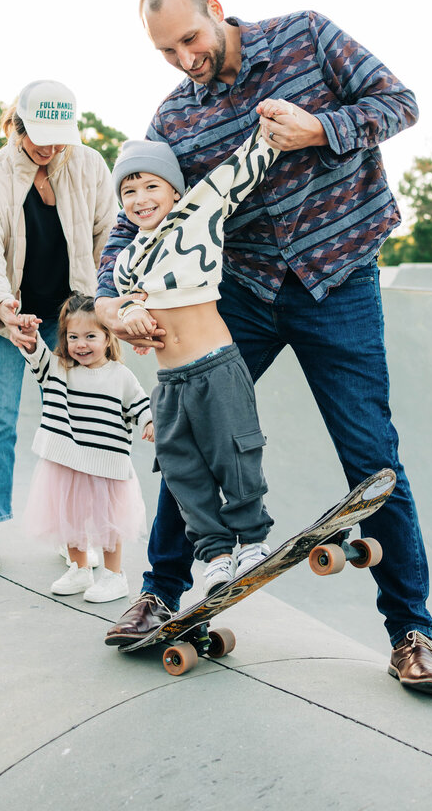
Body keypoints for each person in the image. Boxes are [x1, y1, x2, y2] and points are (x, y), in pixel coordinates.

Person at [95, 0, 432, 699]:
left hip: (338, 279)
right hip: (244, 291)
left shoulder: (306, 37)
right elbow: (135, 216)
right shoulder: (175, 119)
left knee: (371, 453)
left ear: (216, 9)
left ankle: (412, 635)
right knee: (192, 434)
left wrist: (321, 128)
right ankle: (160, 592)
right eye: (166, 52)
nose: (185, 59)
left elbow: (399, 102)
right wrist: (109, 300)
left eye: (190, 39)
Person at [0, 79, 118, 571]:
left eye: (59, 139)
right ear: (18, 126)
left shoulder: (89, 165)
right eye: (40, 138)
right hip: (8, 317)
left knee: (77, 422)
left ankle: (70, 533)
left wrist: (109, 306)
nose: (49, 148)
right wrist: (2, 307)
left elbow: (111, 240)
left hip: (71, 320)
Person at [111, 130, 278, 593]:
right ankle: (217, 553)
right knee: (181, 471)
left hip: (216, 368)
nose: (141, 199)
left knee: (235, 454)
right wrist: (132, 315)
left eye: (151, 186)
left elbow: (237, 172)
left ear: (174, 190)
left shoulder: (196, 215)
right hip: (169, 384)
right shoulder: (127, 259)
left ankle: (252, 540)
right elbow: (126, 299)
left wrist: (270, 131)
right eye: (129, 191)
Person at [13, 291, 152, 602]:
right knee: (70, 516)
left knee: (108, 521)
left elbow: (140, 403)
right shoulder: (59, 368)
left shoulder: (120, 376)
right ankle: (80, 568)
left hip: (105, 462)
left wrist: (149, 422)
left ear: (107, 337)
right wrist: (31, 335)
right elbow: (37, 356)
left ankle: (114, 576)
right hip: (67, 460)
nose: (81, 344)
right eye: (73, 336)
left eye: (91, 336)